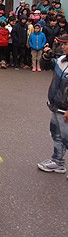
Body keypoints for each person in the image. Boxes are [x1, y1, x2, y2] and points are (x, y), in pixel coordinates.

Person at [37, 35, 68, 176]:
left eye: (66, 44)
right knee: (56, 134)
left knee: (66, 138)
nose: (63, 47)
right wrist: (46, 56)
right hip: (56, 105)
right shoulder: (62, 60)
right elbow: (45, 66)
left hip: (65, 110)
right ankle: (58, 162)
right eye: (62, 44)